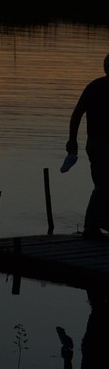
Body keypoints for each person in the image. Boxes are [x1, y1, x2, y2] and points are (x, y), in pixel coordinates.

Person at [68, 53, 109, 239]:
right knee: (102, 185)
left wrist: (73, 140)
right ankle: (90, 227)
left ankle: (98, 223)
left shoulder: (93, 87)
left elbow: (77, 114)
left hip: (95, 144)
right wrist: (72, 140)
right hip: (100, 144)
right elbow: (77, 114)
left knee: (102, 185)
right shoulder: (95, 88)